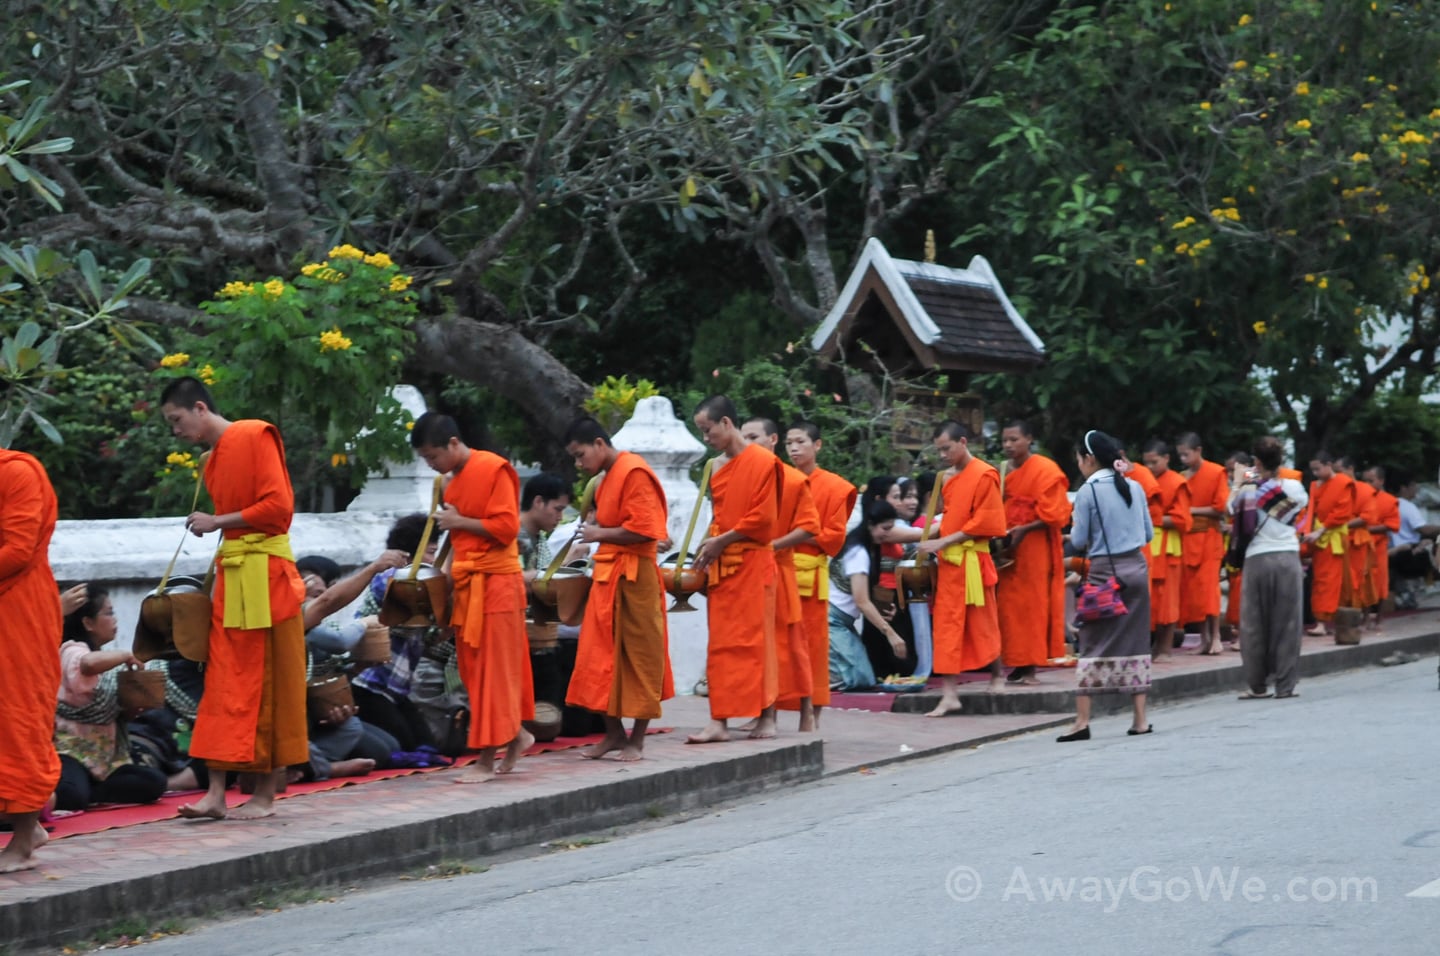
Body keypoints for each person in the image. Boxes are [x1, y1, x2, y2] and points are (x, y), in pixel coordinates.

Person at [161, 376, 308, 821]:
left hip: (267, 576)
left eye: (177, 419)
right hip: (233, 576)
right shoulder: (210, 460)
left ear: (201, 408)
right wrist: (219, 525)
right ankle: (216, 792)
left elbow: (278, 510)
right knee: (223, 681)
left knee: (270, 683)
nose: (176, 431)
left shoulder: (253, 434)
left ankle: (265, 793)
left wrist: (217, 520)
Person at [412, 412, 533, 782]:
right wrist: (442, 584)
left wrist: (459, 522)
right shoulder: (452, 482)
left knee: (492, 671)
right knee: (472, 671)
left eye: (434, 456)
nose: (432, 465)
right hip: (468, 584)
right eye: (426, 460)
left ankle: (485, 758)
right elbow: (457, 542)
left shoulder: (493, 468)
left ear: (453, 443)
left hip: (497, 582)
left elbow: (507, 527)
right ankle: (516, 736)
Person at [563, 417, 674, 760]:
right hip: (607, 576)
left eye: (581, 455)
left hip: (635, 576)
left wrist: (600, 535)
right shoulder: (604, 479)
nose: (579, 464)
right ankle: (613, 733)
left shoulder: (633, 471)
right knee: (596, 656)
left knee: (641, 657)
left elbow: (646, 530)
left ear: (599, 443)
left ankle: (637, 740)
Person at [688, 395, 781, 744]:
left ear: (726, 423)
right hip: (724, 564)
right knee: (721, 645)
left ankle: (767, 716)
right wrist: (708, 546)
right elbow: (719, 515)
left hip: (754, 561)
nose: (705, 438)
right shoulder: (715, 466)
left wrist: (722, 540)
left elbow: (764, 518)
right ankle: (720, 720)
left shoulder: (762, 461)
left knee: (758, 643)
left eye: (708, 429)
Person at [1058, 430, 1153, 740]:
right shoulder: (1135, 487)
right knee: (1137, 642)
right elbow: (1148, 534)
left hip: (1104, 573)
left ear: (1088, 459)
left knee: (1092, 643)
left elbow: (1082, 540)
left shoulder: (1088, 491)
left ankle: (1082, 722)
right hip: (1137, 570)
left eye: (1078, 459)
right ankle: (1140, 720)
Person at [916, 420, 1006, 716]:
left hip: (973, 561)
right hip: (950, 563)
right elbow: (949, 517)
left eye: (947, 448)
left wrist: (941, 543)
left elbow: (986, 523)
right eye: (939, 449)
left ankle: (997, 674)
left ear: (963, 442)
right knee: (946, 627)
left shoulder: (985, 474)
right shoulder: (945, 477)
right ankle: (950, 694)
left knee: (983, 622)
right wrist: (930, 540)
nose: (942, 454)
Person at [0, 449, 63, 872]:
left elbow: (19, 550)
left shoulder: (17, 472)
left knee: (16, 717)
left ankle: (24, 838)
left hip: (18, 609)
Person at [55, 588, 171, 809]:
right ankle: (82, 791)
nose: (114, 619)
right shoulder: (72, 650)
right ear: (88, 623)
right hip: (71, 753)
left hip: (105, 761)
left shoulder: (105, 657)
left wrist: (130, 710)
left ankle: (93, 791)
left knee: (154, 782)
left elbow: (111, 709)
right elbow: (86, 664)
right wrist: (125, 655)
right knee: (71, 794)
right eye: (108, 613)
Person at [740, 417, 820, 733]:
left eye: (754, 437)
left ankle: (803, 713)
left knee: (790, 647)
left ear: (773, 440)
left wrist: (772, 545)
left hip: (780, 572)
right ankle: (762, 711)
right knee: (757, 647)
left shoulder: (792, 480)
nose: (747, 443)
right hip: (748, 573)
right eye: (743, 437)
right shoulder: (741, 478)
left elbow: (810, 527)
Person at [784, 421, 858, 731]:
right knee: (780, 646)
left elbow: (833, 539)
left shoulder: (835, 487)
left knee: (812, 646)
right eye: (789, 443)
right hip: (780, 570)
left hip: (811, 578)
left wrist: (799, 533)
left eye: (800, 441)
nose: (794, 448)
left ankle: (812, 715)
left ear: (818, 445)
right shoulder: (781, 481)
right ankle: (770, 711)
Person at [1229, 437, 1308, 699]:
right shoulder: (1295, 487)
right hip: (1288, 558)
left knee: (1253, 626)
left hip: (1257, 559)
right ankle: (1285, 687)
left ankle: (1257, 685)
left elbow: (1229, 508)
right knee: (1287, 624)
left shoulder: (1247, 489)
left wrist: (1240, 480)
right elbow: (1301, 509)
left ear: (1257, 461)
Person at [995, 420, 1072, 685]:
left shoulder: (1045, 469)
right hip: (1008, 551)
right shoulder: (1003, 471)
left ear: (1029, 439)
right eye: (1004, 440)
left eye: (1014, 439)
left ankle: (1030, 668)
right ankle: (1016, 662)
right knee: (1008, 608)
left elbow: (1058, 513)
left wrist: (1026, 529)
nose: (1008, 445)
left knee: (1033, 606)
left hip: (1035, 548)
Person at [827, 501, 908, 691]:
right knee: (855, 680)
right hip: (830, 619)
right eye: (885, 528)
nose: (888, 535)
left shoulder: (867, 547)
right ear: (870, 525)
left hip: (842, 622)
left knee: (864, 678)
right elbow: (861, 601)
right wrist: (891, 634)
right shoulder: (858, 552)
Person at [517, 473, 572, 710]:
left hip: (537, 636)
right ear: (538, 502)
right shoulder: (512, 534)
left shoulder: (539, 539)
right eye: (557, 509)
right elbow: (513, 580)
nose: (560, 517)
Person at [1176, 433, 1230, 654]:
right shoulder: (1181, 477)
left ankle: (1216, 636)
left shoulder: (1216, 472)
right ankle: (1204, 638)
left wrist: (1192, 511)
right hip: (1188, 539)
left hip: (1209, 537)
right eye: (1180, 455)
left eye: (1186, 454)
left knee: (1209, 590)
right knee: (1195, 593)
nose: (1183, 459)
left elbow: (1220, 508)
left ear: (1198, 451)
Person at [1141, 439, 1192, 659]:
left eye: (1154, 462)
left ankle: (1165, 647)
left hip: (1169, 548)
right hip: (1147, 545)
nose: (1150, 468)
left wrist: (1154, 519)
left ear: (1166, 459)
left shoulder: (1176, 482)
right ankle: (1152, 646)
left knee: (1168, 600)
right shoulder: (1143, 480)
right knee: (1150, 599)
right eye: (1147, 463)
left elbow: (1182, 519)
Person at [1302, 450, 1357, 636]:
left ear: (1329, 465)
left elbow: (1342, 513)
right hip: (1317, 537)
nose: (1315, 473)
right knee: (1319, 579)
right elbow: (1311, 511)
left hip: (1333, 537)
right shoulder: (1315, 485)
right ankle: (1323, 620)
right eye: (1313, 470)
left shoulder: (1343, 483)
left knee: (1328, 580)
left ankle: (1324, 622)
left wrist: (1321, 530)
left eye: (1318, 469)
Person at [1221, 450, 1254, 647]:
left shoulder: (1251, 483)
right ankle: (1239, 631)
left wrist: (1233, 527)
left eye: (1233, 470)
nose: (1230, 474)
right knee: (1236, 589)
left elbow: (1249, 519)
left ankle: (1245, 635)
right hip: (1235, 544)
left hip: (1248, 544)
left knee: (1244, 591)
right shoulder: (1238, 484)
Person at [1361, 466, 1400, 630]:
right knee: (1364, 582)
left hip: (1379, 547)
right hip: (1362, 545)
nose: (1367, 484)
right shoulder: (1360, 498)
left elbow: (1392, 525)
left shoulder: (1389, 500)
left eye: (1371, 481)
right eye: (1365, 481)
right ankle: (1365, 618)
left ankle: (1379, 618)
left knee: (1381, 582)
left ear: (1381, 481)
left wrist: (1369, 529)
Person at [1388, 474, 1434, 608]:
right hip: (1408, 554)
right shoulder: (1407, 506)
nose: (1416, 489)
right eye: (1413, 486)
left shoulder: (1389, 504)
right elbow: (1424, 529)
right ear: (1404, 488)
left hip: (1394, 553)